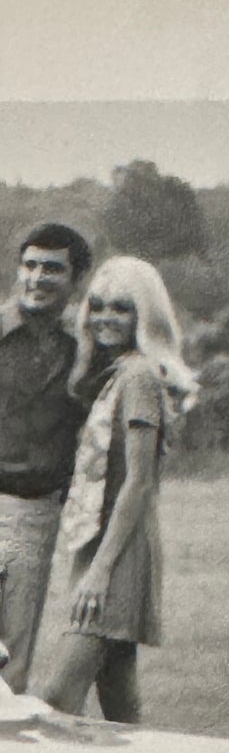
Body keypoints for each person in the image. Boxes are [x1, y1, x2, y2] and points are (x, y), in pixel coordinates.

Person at [42, 257, 197, 722]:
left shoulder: (138, 378)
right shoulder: (118, 374)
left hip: (119, 553)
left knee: (59, 698)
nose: (105, 317)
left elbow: (139, 482)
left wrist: (100, 572)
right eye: (98, 306)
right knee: (118, 701)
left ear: (144, 315)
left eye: (122, 308)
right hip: (102, 545)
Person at [0, 223, 92, 693]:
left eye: (53, 268)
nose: (37, 278)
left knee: (11, 664)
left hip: (38, 513)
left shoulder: (84, 348)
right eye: (30, 265)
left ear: (76, 279)